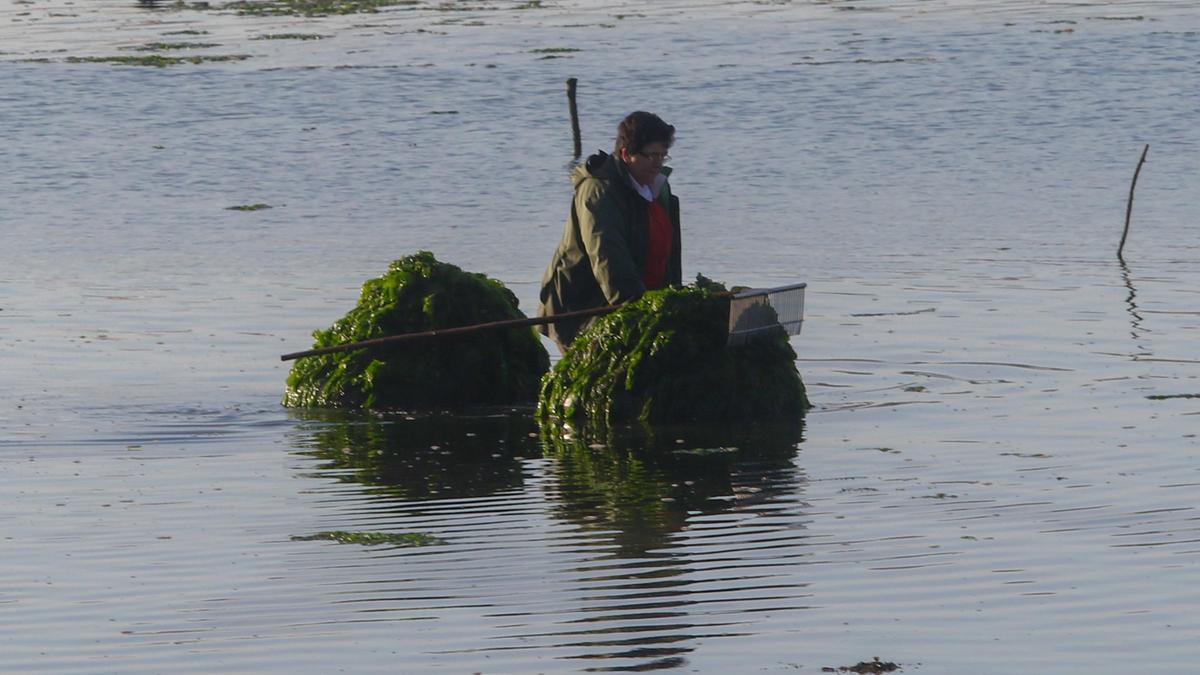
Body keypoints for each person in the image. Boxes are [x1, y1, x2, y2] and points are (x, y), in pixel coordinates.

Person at [536, 111, 682, 352]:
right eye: (651, 155)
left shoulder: (654, 189)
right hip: (581, 311)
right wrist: (640, 313)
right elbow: (608, 259)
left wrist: (670, 303)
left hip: (637, 304)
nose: (658, 163)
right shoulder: (599, 192)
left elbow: (666, 257)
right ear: (626, 154)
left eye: (662, 155)